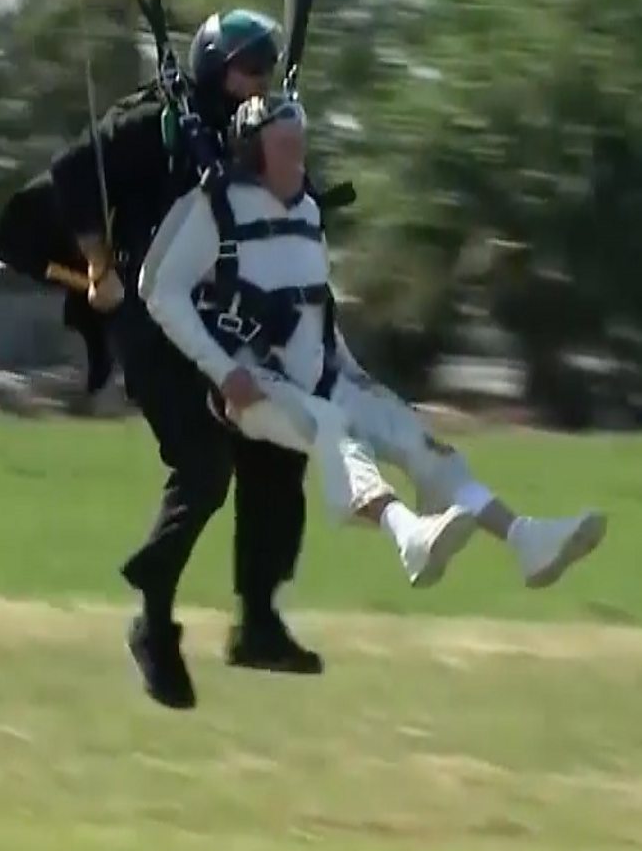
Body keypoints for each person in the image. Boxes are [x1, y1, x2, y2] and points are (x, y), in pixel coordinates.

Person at [139, 93, 607, 602]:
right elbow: (160, 290)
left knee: (417, 438)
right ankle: (408, 534)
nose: (299, 158)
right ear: (253, 154)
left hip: (325, 372)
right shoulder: (216, 210)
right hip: (253, 386)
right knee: (333, 430)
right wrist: (222, 368)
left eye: (302, 146)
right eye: (285, 148)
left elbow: (313, 306)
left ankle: (525, 538)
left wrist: (351, 371)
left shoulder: (309, 213)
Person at [32, 10, 321, 711]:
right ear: (214, 64)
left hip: (226, 320)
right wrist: (97, 264)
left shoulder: (252, 129)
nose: (258, 81)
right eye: (250, 67)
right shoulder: (153, 121)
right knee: (203, 464)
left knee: (279, 452)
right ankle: (154, 625)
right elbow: (72, 172)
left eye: (267, 69)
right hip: (151, 319)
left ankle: (257, 621)